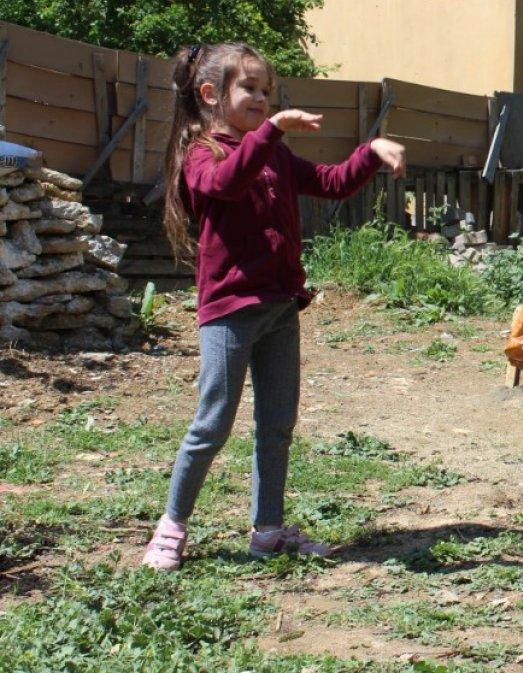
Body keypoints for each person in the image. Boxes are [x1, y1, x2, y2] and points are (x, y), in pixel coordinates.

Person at [142, 42, 407, 571]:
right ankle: (170, 529)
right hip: (230, 311)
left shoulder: (274, 154)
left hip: (280, 308)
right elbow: (227, 181)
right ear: (211, 94)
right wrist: (273, 132)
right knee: (212, 424)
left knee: (276, 425)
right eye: (250, 88)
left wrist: (370, 151)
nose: (262, 98)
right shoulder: (202, 156)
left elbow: (329, 183)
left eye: (267, 90)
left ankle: (268, 532)